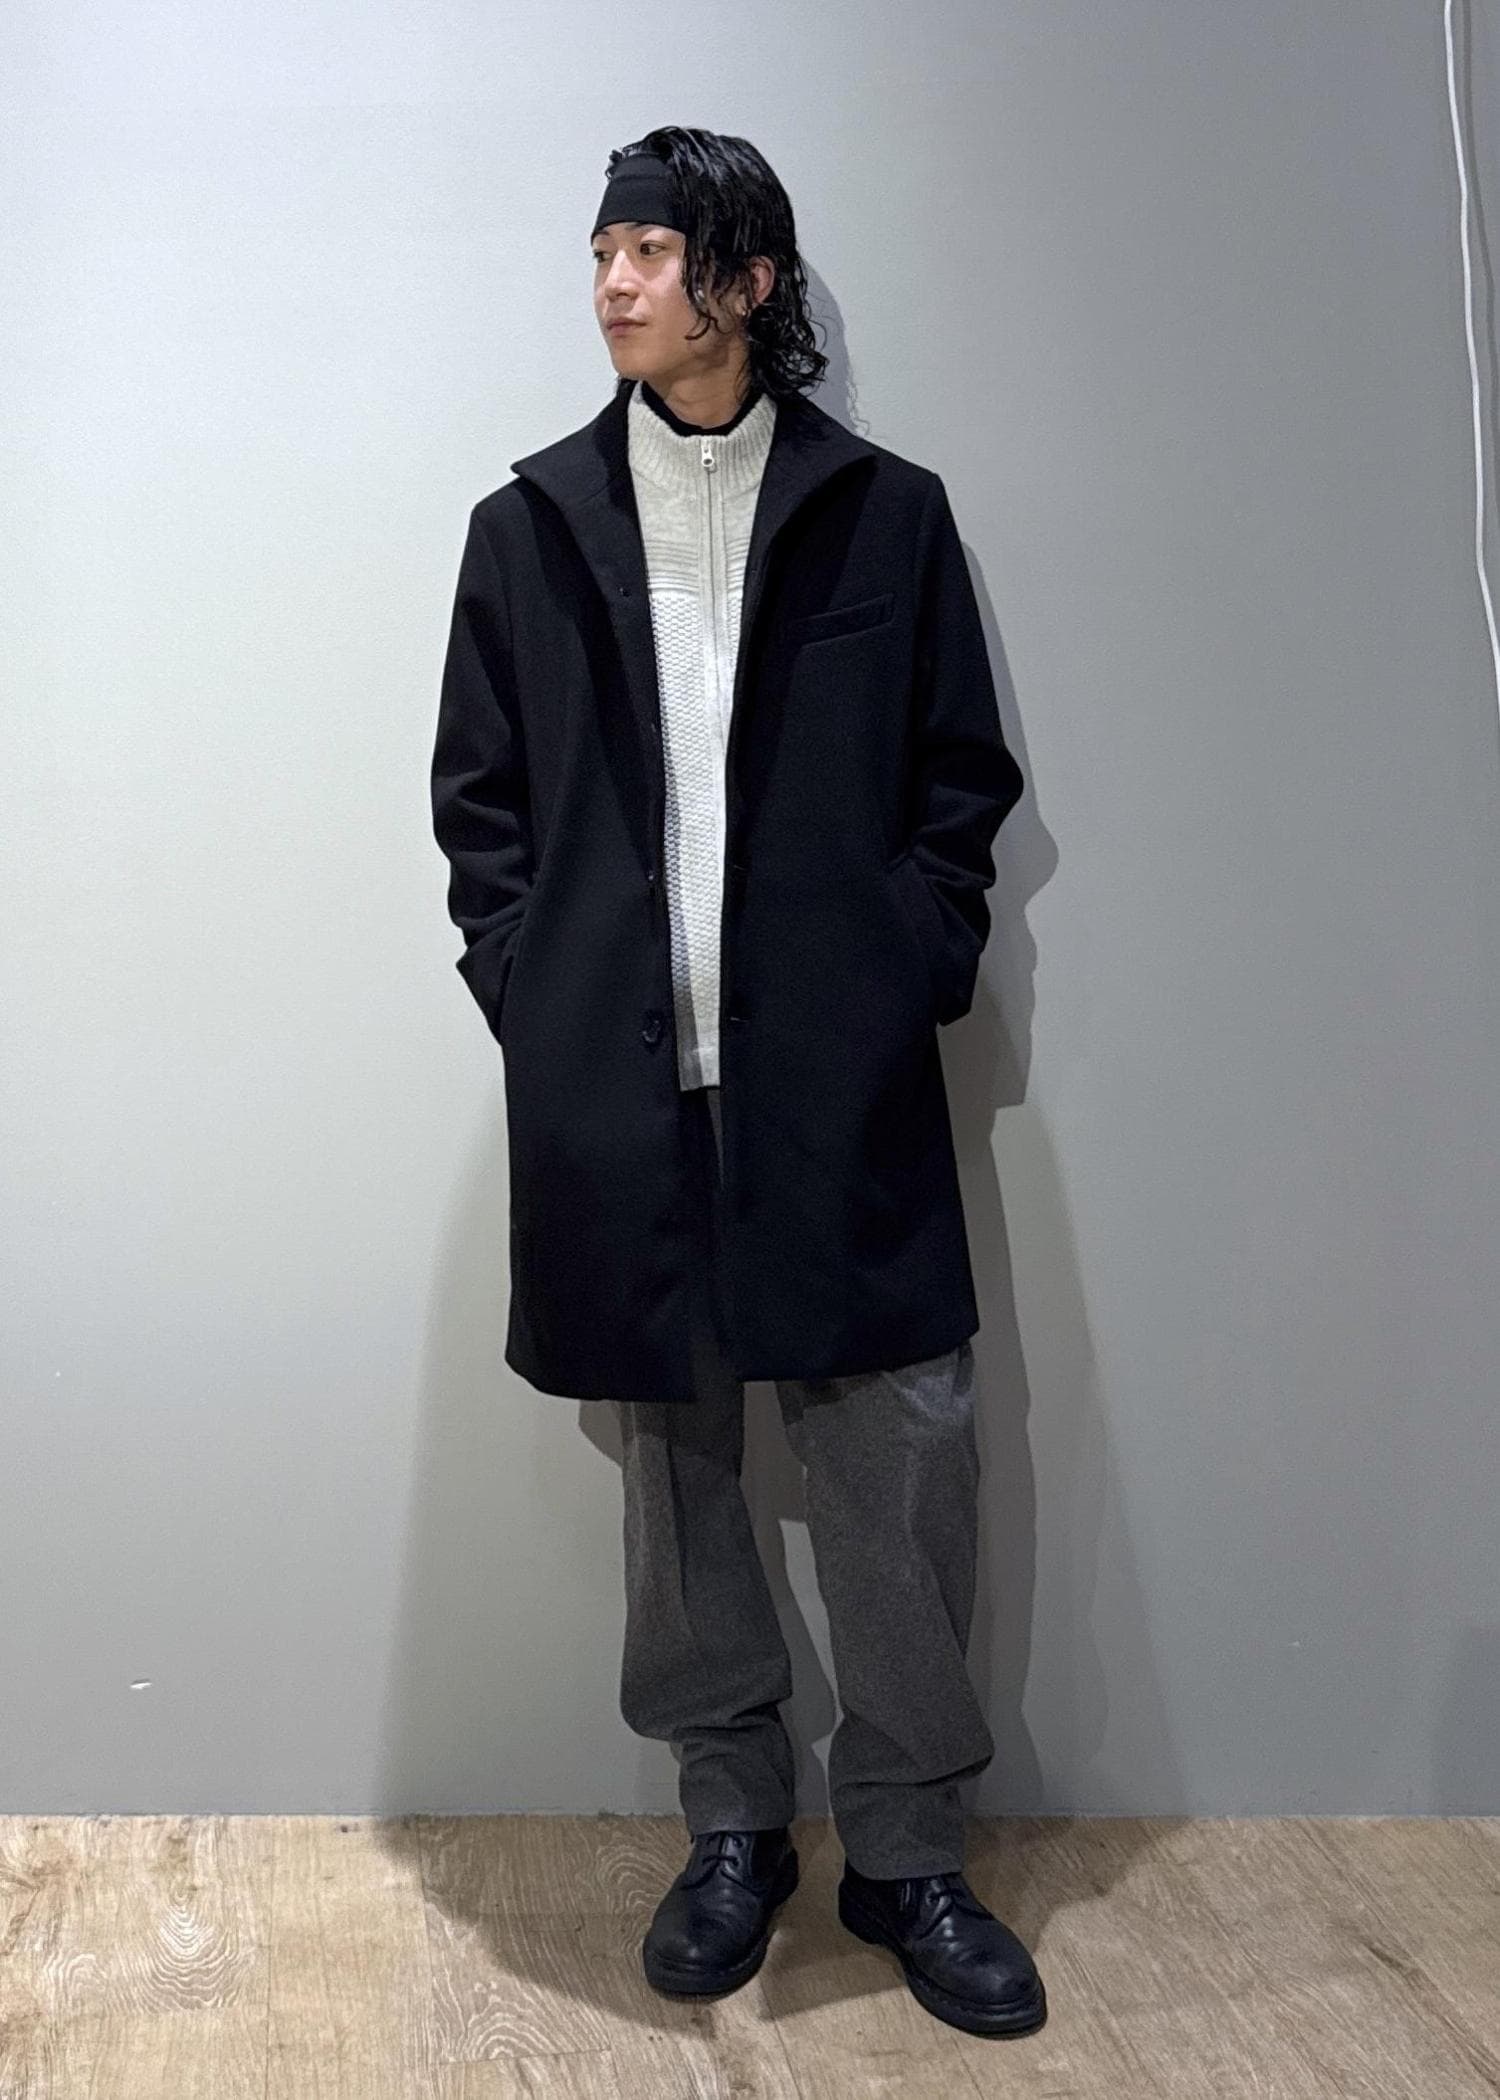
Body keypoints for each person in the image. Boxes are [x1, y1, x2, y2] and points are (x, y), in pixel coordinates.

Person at [430, 126, 1044, 2041]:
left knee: (900, 1468)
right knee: (679, 1490)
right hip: (625, 1096)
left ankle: (911, 1850)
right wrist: (533, 991)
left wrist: (906, 964)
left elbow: (960, 782)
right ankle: (730, 1831)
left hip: (833, 1092)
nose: (613, 283)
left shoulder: (884, 517)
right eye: (602, 249)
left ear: (748, 282)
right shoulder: (531, 529)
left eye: (650, 249)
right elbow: (480, 810)